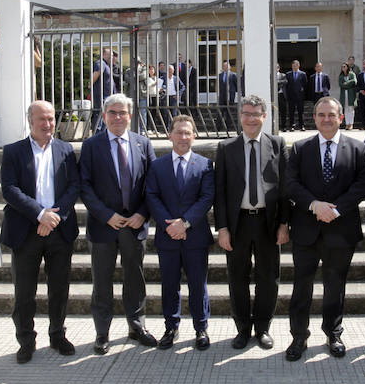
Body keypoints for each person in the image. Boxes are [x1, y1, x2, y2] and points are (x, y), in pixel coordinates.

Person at [284, 97, 365, 360]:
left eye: (331, 115)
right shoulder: (300, 149)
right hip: (306, 230)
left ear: (341, 117)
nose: (326, 119)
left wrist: (335, 209)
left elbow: (363, 184)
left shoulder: (359, 149)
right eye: (321, 115)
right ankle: (299, 336)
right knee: (302, 286)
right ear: (315, 118)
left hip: (341, 229)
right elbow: (291, 183)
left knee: (336, 285)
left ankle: (333, 333)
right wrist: (314, 205)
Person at [0, 101, 80, 364]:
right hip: (26, 230)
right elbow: (10, 190)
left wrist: (54, 216)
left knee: (59, 288)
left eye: (51, 118)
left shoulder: (66, 149)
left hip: (59, 230)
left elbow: (73, 186)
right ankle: (26, 340)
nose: (47, 124)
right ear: (30, 121)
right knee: (24, 291)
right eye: (41, 119)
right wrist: (39, 214)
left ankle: (57, 334)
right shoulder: (13, 151)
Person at [79, 94, 158, 355]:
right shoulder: (91, 146)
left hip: (134, 224)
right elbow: (85, 187)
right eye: (112, 112)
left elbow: (153, 185)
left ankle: (136, 326)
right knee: (102, 281)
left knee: (134, 278)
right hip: (104, 226)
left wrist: (143, 214)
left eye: (122, 112)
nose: (117, 117)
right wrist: (105, 215)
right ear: (103, 116)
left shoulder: (142, 144)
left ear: (130, 115)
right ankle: (102, 333)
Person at [214, 95, 289, 351]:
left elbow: (285, 189)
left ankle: (263, 328)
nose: (251, 119)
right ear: (240, 116)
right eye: (246, 113)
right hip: (238, 223)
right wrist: (222, 228)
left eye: (256, 114)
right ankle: (243, 328)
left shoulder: (278, 144)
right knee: (237, 277)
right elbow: (220, 192)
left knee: (269, 277)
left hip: (268, 223)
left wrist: (283, 224)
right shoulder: (226, 148)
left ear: (264, 117)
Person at [145, 115, 216, 350]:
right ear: (170, 135)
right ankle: (170, 327)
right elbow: (152, 196)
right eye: (179, 132)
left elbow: (207, 198)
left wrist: (183, 224)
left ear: (194, 136)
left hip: (194, 236)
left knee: (198, 285)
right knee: (169, 284)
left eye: (188, 132)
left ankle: (201, 328)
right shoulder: (157, 166)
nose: (183, 137)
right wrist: (170, 226)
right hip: (168, 237)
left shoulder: (205, 165)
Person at [92, 48, 116, 132]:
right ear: (104, 54)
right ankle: (97, 134)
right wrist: (90, 84)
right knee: (100, 114)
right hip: (101, 94)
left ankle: (102, 133)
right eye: (110, 55)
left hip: (107, 95)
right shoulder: (100, 63)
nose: (112, 57)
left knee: (104, 115)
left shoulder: (106, 65)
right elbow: (96, 73)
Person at [284, 60, 308, 131]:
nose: (294, 67)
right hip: (291, 96)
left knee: (301, 112)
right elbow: (286, 86)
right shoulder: (288, 74)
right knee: (291, 112)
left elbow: (305, 84)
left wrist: (302, 92)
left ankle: (302, 126)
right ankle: (292, 126)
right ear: (291, 66)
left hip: (300, 96)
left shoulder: (303, 74)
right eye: (293, 66)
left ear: (298, 66)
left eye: (296, 65)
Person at [218, 60, 239, 132]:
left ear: (230, 67)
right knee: (220, 113)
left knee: (228, 113)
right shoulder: (220, 75)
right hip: (222, 97)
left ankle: (228, 128)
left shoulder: (233, 75)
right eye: (224, 66)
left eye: (227, 66)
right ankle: (218, 127)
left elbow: (236, 86)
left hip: (230, 96)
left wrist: (233, 94)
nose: (225, 67)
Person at [338, 62, 357, 130]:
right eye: (342, 67)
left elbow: (354, 81)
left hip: (350, 94)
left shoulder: (352, 74)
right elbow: (341, 84)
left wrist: (347, 83)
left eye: (344, 66)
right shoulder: (341, 76)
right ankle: (347, 124)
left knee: (351, 109)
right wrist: (348, 84)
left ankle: (351, 124)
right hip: (344, 94)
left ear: (347, 67)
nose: (343, 68)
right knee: (346, 109)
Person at [146, 64, 161, 133]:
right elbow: (147, 86)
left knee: (155, 112)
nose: (152, 71)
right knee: (150, 112)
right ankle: (148, 128)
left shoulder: (156, 78)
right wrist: (153, 84)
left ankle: (154, 128)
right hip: (150, 96)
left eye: (153, 69)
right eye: (150, 69)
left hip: (156, 95)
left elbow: (158, 87)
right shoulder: (147, 78)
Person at [275, 64, 288, 131]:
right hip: (274, 96)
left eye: (276, 67)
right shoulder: (271, 75)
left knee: (283, 112)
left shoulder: (283, 75)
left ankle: (284, 126)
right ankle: (275, 126)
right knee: (275, 112)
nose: (275, 68)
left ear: (279, 68)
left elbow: (285, 81)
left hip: (282, 95)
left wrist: (277, 82)